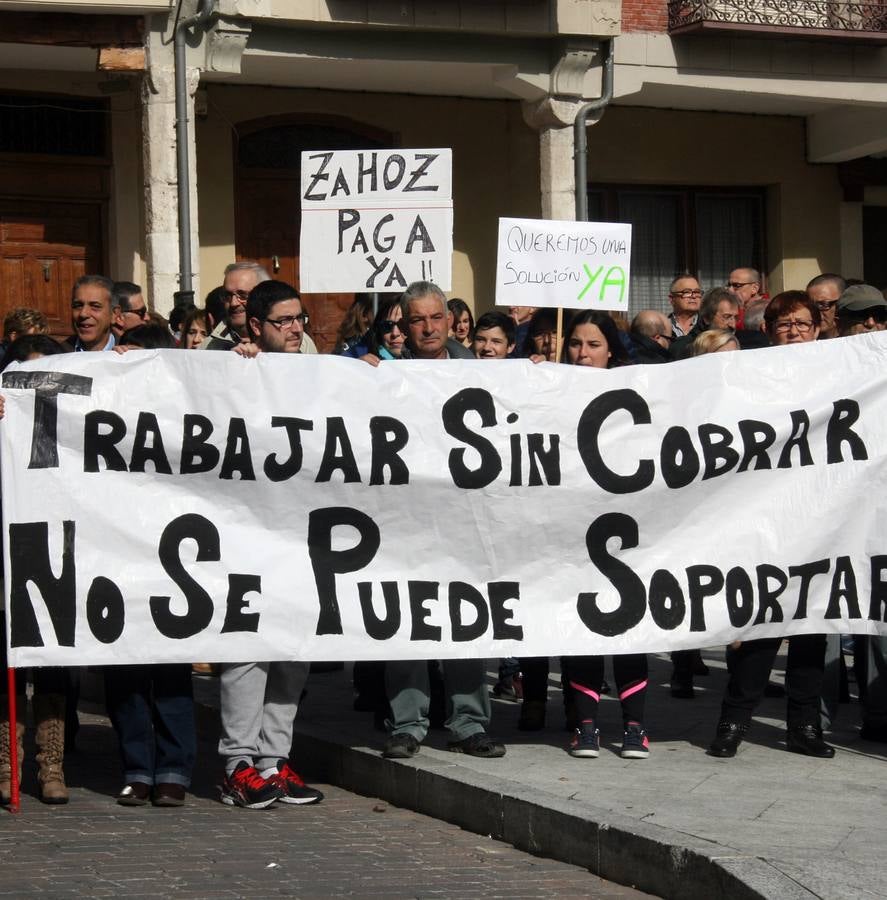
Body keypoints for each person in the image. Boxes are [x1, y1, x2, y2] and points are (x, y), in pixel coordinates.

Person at [377, 282, 503, 760]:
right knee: (407, 618)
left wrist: (533, 375)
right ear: (404, 325)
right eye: (417, 320)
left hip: (465, 516)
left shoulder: (483, 373)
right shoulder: (383, 376)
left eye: (436, 318)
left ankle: (468, 722)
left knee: (466, 617)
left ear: (450, 321)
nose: (428, 328)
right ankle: (407, 723)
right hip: (406, 519)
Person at [217, 279, 323, 809]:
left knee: (292, 648)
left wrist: (370, 372)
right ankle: (236, 763)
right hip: (248, 532)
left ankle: (272, 759)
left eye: (299, 318)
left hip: (301, 534)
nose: (295, 328)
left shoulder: (319, 371)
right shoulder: (233, 368)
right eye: (284, 321)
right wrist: (235, 368)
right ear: (256, 326)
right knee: (248, 650)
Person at [554, 311, 648, 758]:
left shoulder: (637, 389)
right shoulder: (549, 387)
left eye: (593, 344)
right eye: (575, 343)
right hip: (574, 525)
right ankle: (586, 725)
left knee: (632, 625)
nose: (582, 353)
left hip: (627, 528)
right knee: (583, 625)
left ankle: (635, 726)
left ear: (611, 350)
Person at [0, 334, 70, 804]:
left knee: (51, 657)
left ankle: (51, 765)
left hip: (58, 544)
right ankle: (9, 762)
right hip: (9, 544)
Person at [670, 287, 739, 359]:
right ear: (707, 318)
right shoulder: (682, 350)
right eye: (726, 317)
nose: (733, 325)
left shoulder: (741, 345)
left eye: (736, 317)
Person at [69, 274, 118, 352]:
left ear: (114, 314)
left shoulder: (131, 354)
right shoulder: (56, 354)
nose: (83, 314)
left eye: (95, 306)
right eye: (78, 305)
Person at [806, 273, 845, 339]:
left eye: (824, 304)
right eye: (811, 305)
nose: (816, 312)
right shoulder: (802, 340)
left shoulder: (857, 338)